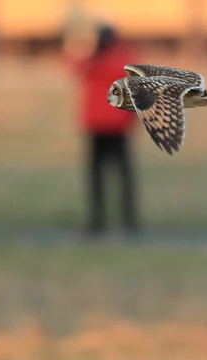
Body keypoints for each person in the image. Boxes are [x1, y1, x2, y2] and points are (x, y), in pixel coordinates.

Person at [69, 23, 140, 237]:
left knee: (97, 176)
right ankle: (128, 219)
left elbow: (74, 67)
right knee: (123, 175)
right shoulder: (123, 59)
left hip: (99, 126)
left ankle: (98, 220)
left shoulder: (95, 61)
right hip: (116, 125)